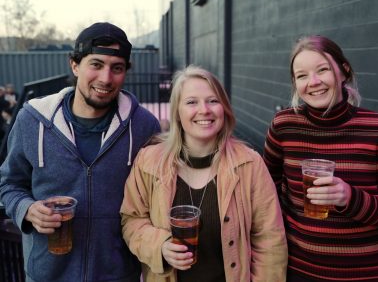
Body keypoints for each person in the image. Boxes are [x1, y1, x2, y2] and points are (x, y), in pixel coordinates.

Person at [0, 22, 160, 282]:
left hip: (118, 275)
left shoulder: (144, 126)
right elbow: (8, 183)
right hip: (47, 276)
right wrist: (27, 209)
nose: (106, 79)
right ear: (75, 65)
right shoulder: (32, 120)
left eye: (116, 68)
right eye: (96, 64)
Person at [120, 65, 288, 282]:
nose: (204, 110)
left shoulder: (250, 164)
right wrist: (159, 245)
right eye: (191, 102)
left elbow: (270, 240)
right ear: (178, 113)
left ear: (224, 108)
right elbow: (131, 220)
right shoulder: (149, 162)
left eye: (213, 100)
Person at [263, 35, 378, 282]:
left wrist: (350, 197)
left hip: (363, 275)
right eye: (302, 75)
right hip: (298, 271)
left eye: (322, 70)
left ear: (344, 71)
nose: (313, 82)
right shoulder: (284, 125)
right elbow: (264, 191)